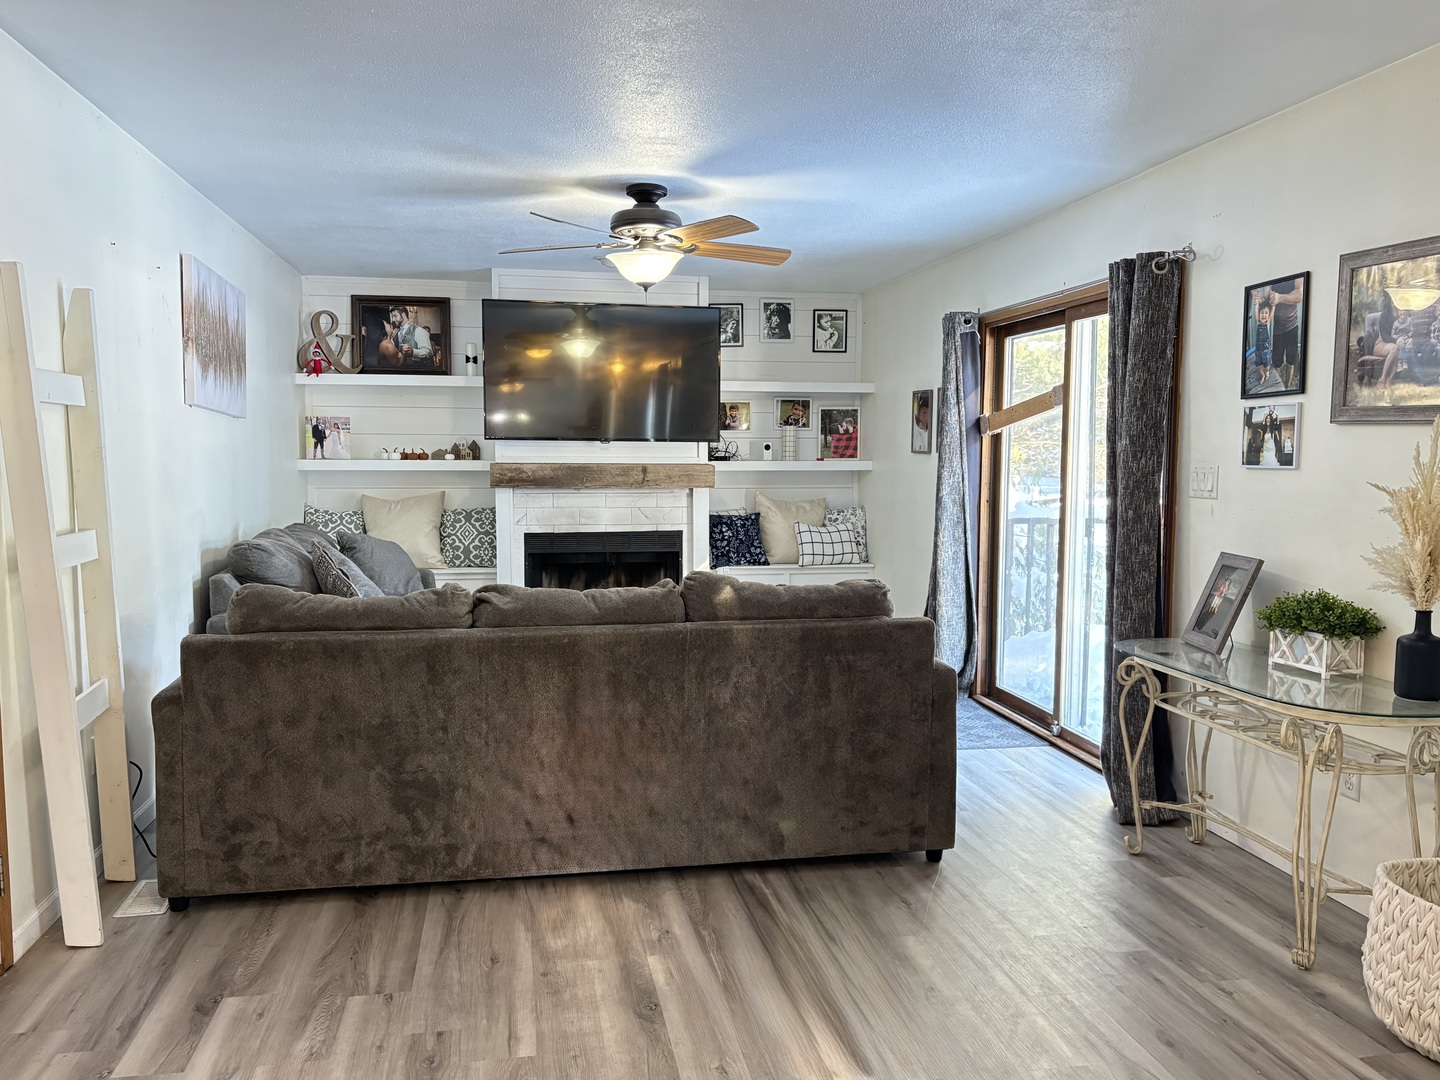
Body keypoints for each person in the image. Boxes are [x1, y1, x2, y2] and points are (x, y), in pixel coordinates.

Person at [1265, 278, 1304, 390]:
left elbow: (1299, 296)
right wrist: (1268, 296)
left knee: (1291, 361)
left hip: (1292, 326)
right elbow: (1266, 294)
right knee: (1277, 362)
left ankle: (1288, 385)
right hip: (1278, 328)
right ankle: (1278, 387)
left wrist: (1280, 298)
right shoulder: (1272, 275)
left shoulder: (1297, 276)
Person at [1248, 300, 1274, 392]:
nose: (1264, 315)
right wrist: (1257, 304)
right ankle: (1262, 375)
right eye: (1262, 313)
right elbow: (1256, 313)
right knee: (1259, 364)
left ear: (1269, 315)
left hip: (1266, 349)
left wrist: (1273, 305)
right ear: (1259, 315)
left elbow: (1272, 313)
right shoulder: (1258, 323)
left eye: (1266, 313)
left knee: (1267, 365)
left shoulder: (1268, 323)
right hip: (1258, 349)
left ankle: (1267, 372)